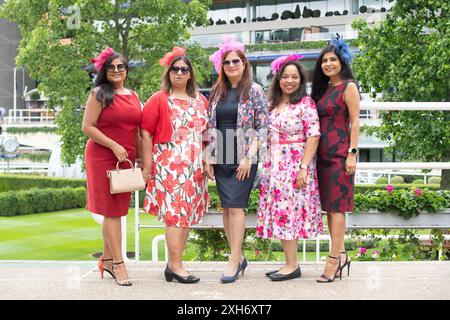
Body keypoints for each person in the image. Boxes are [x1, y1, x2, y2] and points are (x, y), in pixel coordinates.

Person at [141, 47, 209, 284]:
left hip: (195, 167)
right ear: (169, 73)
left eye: (184, 69)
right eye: (175, 69)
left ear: (190, 74)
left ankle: (174, 265)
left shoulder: (201, 100)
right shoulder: (160, 99)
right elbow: (145, 132)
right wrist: (148, 166)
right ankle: (176, 266)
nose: (179, 73)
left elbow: (207, 135)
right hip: (170, 165)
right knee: (174, 216)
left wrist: (208, 160)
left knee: (186, 216)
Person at [205, 35, 268, 283]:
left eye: (236, 61)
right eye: (227, 62)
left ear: (244, 64)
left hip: (244, 155)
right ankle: (238, 256)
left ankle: (234, 260)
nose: (231, 65)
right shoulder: (217, 92)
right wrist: (210, 158)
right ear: (222, 66)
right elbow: (211, 126)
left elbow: (263, 128)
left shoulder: (255, 91)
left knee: (237, 205)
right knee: (226, 206)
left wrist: (249, 158)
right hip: (221, 153)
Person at [256, 55, 322, 281]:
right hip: (274, 165)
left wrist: (303, 167)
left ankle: (292, 265)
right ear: (278, 79)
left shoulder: (305, 104)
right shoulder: (272, 104)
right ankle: (288, 262)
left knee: (289, 213)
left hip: (294, 166)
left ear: (301, 80)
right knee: (281, 213)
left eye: (294, 77)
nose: (289, 81)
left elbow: (313, 135)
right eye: (285, 76)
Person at [82, 47, 142, 286]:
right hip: (102, 157)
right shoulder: (99, 94)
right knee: (112, 212)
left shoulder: (133, 95)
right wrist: (113, 145)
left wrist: (140, 158)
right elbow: (87, 126)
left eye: (121, 67)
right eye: (112, 67)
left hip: (124, 159)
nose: (117, 71)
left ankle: (107, 260)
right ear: (104, 71)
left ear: (126, 71)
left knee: (118, 210)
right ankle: (119, 264)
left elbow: (136, 130)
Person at [311, 36, 360, 283]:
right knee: (329, 209)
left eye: (333, 59)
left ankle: (332, 261)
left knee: (337, 209)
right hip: (322, 157)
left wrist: (352, 154)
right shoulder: (323, 89)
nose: (328, 64)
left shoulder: (348, 87)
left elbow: (355, 122)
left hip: (340, 156)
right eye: (324, 61)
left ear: (342, 62)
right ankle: (341, 254)